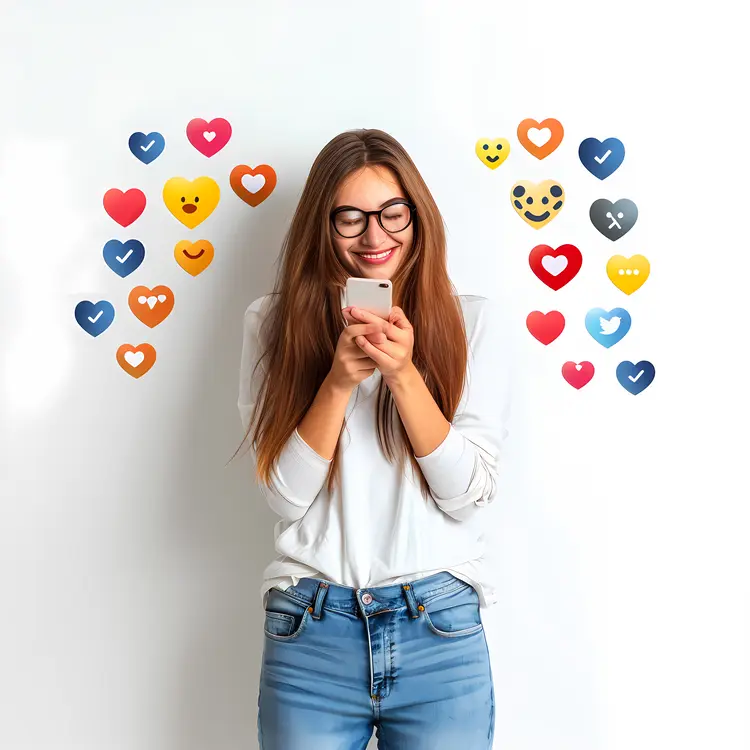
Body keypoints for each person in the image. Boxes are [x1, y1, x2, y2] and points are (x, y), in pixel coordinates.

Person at [236, 128, 510, 749]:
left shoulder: (473, 322)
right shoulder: (271, 323)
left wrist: (404, 375)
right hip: (311, 630)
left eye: (393, 213)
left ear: (418, 215)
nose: (375, 237)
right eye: (350, 219)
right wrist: (336, 382)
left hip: (438, 627)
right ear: (322, 227)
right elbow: (284, 497)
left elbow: (467, 496)